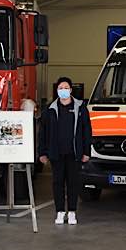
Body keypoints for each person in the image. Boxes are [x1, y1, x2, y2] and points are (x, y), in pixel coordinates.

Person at [38, 77, 92, 225]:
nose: (63, 90)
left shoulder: (80, 108)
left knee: (73, 183)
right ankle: (60, 211)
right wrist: (42, 152)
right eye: (60, 88)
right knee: (58, 183)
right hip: (56, 154)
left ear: (71, 90)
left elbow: (87, 131)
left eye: (66, 87)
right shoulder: (50, 110)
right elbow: (42, 133)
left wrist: (87, 151)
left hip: (75, 153)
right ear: (57, 91)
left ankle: (72, 212)